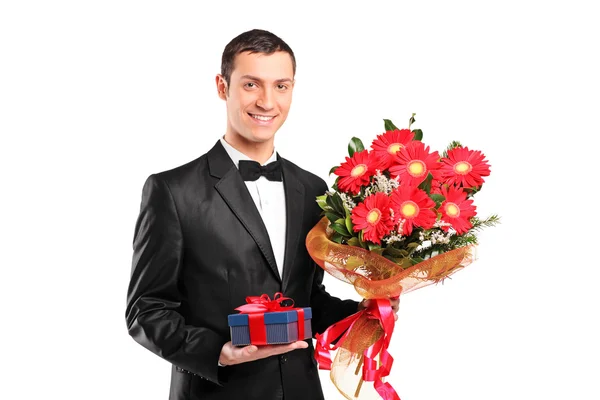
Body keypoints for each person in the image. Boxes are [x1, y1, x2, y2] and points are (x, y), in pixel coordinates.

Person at [125, 28, 399, 400]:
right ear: (223, 87)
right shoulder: (172, 191)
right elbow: (146, 310)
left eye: (281, 86)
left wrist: (365, 311)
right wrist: (218, 352)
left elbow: (306, 299)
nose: (267, 102)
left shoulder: (314, 189)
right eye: (251, 85)